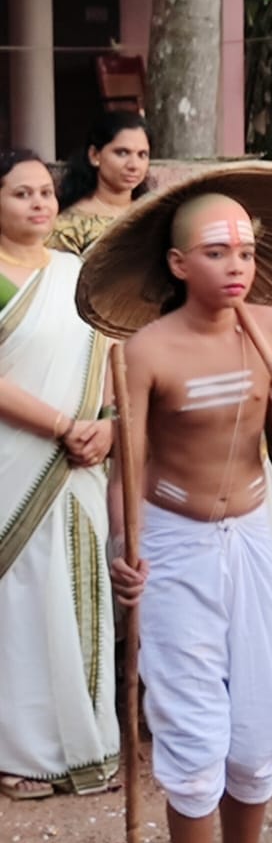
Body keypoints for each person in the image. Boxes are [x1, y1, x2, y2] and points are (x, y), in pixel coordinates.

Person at [87, 168, 272, 843]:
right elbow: (134, 461)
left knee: (258, 725)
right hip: (178, 545)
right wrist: (129, 551)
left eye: (248, 251)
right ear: (179, 262)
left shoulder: (269, 326)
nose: (236, 265)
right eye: (217, 251)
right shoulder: (147, 350)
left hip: (253, 535)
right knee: (193, 738)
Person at [0, 149, 118, 800]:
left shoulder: (77, 275)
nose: (40, 204)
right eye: (22, 194)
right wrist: (59, 426)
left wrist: (104, 423)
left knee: (76, 590)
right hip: (16, 458)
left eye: (46, 192)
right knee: (17, 601)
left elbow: (107, 356)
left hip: (81, 460)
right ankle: (18, 754)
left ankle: (85, 740)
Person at [48, 111, 151, 256]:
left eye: (142, 155)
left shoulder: (155, 212)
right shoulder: (68, 227)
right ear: (94, 155)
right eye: (122, 153)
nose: (134, 165)